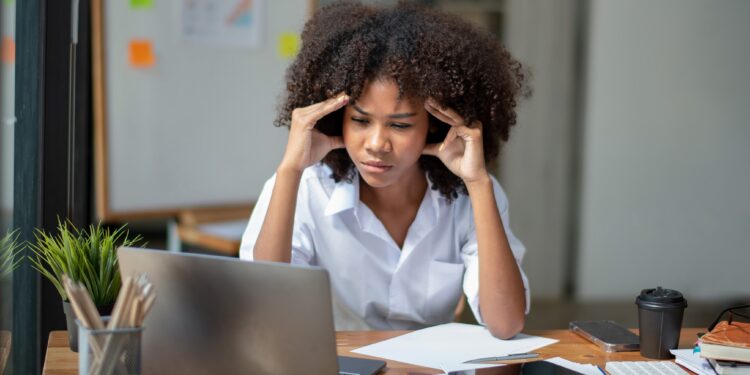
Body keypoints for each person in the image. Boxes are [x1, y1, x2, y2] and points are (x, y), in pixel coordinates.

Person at [239, 1, 529, 339]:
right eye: (360, 120)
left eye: (400, 126)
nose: (377, 143)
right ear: (338, 119)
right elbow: (267, 307)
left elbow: (506, 323)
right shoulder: (307, 187)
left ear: (434, 126)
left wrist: (479, 184)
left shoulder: (470, 196)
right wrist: (290, 169)